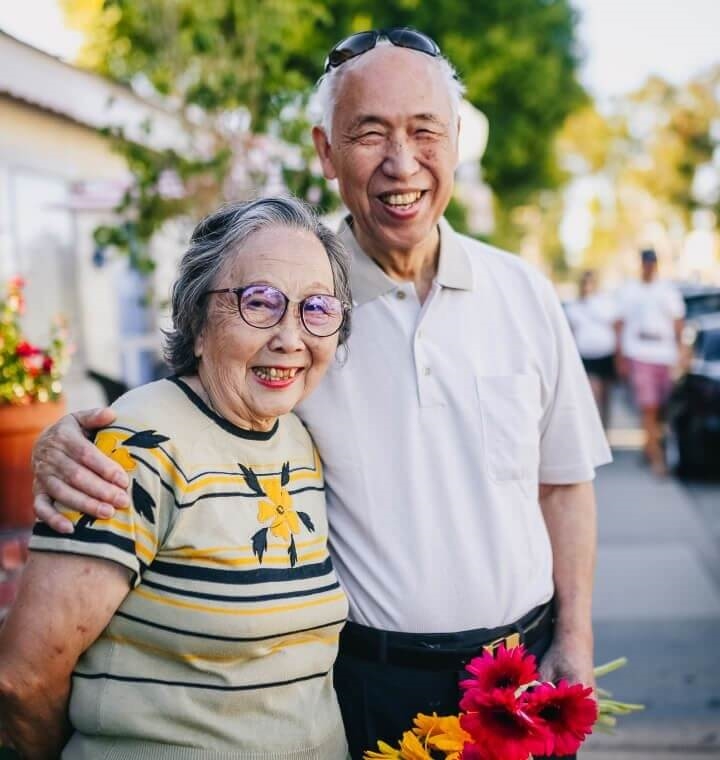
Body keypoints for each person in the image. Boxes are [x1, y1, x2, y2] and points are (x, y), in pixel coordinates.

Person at [30, 29, 611, 760]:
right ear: (325, 152)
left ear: (457, 140)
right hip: (368, 682)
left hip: (522, 676)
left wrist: (576, 639)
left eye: (425, 131)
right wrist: (69, 439)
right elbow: (195, 391)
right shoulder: (296, 301)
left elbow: (563, 483)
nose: (402, 163)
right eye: (369, 134)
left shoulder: (523, 291)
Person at [0, 197, 353, 759]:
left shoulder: (299, 438)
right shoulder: (135, 446)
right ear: (197, 322)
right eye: (259, 302)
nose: (291, 336)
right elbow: (22, 678)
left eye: (316, 308)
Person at [616, 248, 685, 476]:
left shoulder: (667, 290)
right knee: (649, 406)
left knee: (662, 408)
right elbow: (620, 323)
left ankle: (650, 446)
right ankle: (657, 460)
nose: (649, 266)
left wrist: (682, 354)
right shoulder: (630, 291)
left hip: (664, 354)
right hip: (639, 353)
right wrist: (621, 356)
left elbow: (678, 323)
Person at [564, 270, 618, 428]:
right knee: (594, 395)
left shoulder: (606, 303)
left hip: (606, 354)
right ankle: (596, 430)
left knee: (606, 397)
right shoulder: (574, 307)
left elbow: (616, 326)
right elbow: (571, 333)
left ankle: (605, 430)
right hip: (587, 355)